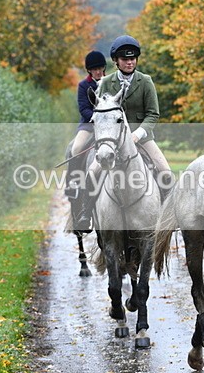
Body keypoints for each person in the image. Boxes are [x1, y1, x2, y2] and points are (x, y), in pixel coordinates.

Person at [93, 35, 172, 189]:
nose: (130, 62)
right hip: (112, 139)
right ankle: (86, 211)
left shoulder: (145, 81)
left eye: (133, 58)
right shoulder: (106, 82)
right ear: (116, 61)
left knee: (166, 173)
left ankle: (166, 212)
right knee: (91, 173)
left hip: (141, 138)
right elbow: (100, 112)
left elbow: (153, 114)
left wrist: (138, 134)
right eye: (124, 59)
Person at [66, 50, 107, 232]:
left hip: (109, 126)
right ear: (89, 71)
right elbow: (83, 108)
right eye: (94, 69)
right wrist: (97, 118)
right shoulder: (84, 85)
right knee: (76, 148)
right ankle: (74, 183)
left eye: (100, 68)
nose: (98, 72)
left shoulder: (111, 82)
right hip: (89, 125)